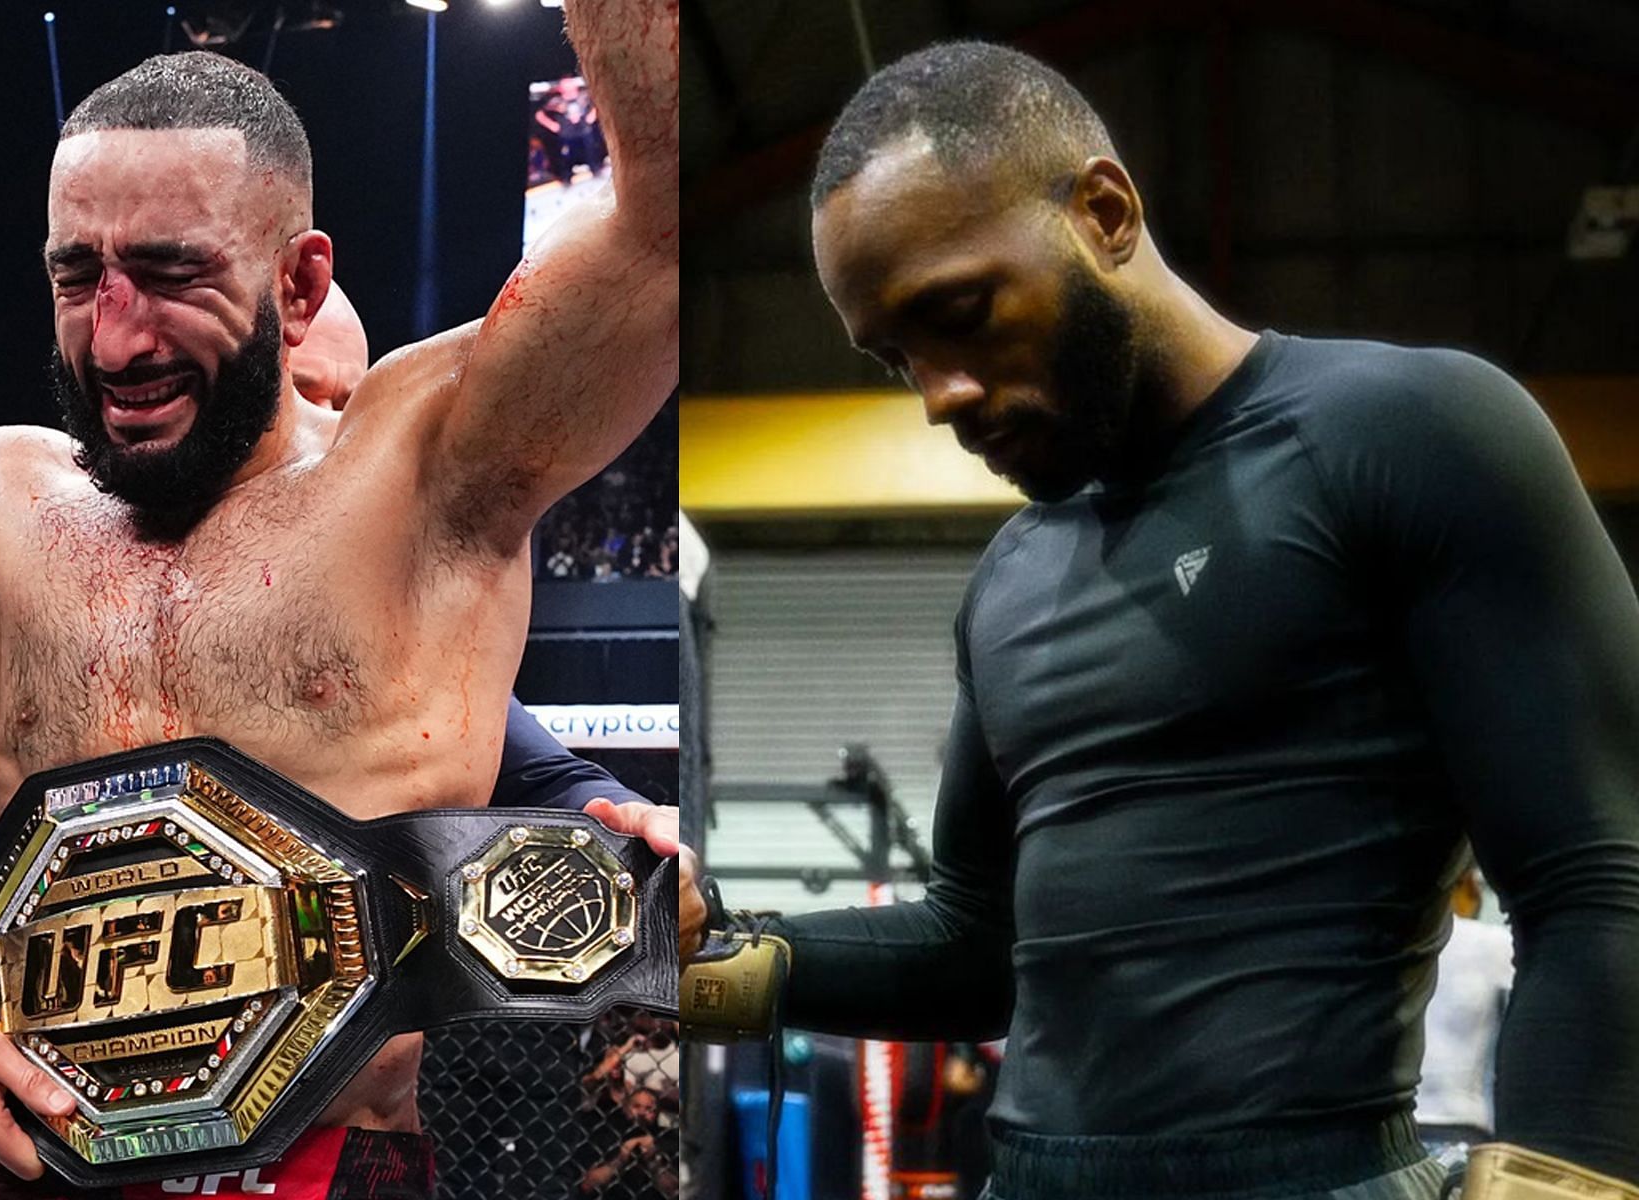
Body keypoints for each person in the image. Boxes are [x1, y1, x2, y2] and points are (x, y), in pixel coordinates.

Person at [0, 0, 677, 1193]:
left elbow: (659, 238)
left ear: (296, 280)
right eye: (79, 277)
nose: (116, 341)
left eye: (172, 274)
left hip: (341, 1160)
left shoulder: (430, 468)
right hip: (40, 1165)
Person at [677, 40, 1639, 1200]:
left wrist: (1567, 1178)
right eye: (898, 360)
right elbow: (976, 947)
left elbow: (1595, 881)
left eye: (962, 314)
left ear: (1105, 211)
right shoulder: (1014, 575)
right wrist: (712, 960)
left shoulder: (1409, 437)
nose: (940, 397)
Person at [0, 595, 652, 1200]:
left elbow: (562, 783)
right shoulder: (31, 580)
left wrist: (643, 835)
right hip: (51, 1152)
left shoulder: (409, 612)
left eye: (344, 413)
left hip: (333, 1159)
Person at [1415, 866, 1514, 1157]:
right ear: (1467, 886)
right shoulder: (1493, 945)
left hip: (1385, 1130)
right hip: (1461, 1129)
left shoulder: (1382, 948)